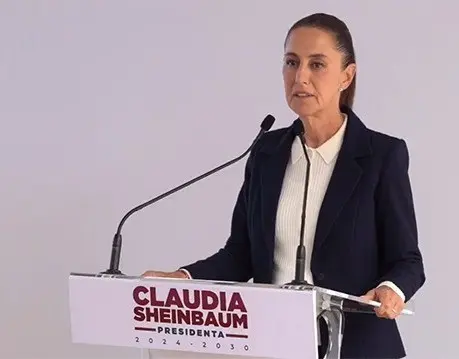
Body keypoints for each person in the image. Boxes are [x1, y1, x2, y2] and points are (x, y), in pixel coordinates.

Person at [142, 13, 426, 359]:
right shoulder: (267, 153)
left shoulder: (383, 156)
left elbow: (408, 260)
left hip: (358, 348)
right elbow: (240, 254)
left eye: (317, 64)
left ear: (346, 76)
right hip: (277, 344)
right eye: (291, 62)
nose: (300, 76)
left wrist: (391, 288)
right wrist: (183, 279)